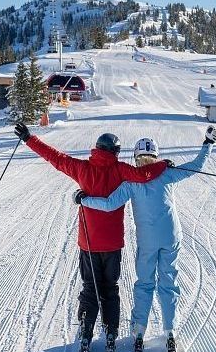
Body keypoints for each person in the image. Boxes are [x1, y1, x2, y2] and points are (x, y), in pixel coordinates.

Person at [13, 123, 168, 352]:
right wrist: (163, 164)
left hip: (89, 243)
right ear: (115, 152)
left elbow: (54, 157)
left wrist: (28, 138)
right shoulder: (121, 170)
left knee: (90, 287)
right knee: (110, 288)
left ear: (96, 148)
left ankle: (86, 332)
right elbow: (144, 175)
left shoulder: (81, 168)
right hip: (113, 244)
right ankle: (111, 333)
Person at [74, 126, 216, 352]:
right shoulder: (167, 173)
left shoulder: (131, 182)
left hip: (148, 242)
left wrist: (85, 200)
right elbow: (196, 166)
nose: (146, 163)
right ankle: (170, 330)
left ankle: (139, 330)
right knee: (169, 283)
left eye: (143, 159)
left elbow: (109, 203)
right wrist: (208, 144)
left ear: (136, 158)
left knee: (145, 284)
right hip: (171, 237)